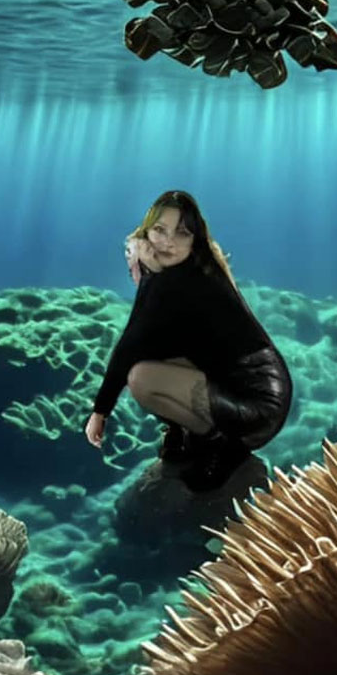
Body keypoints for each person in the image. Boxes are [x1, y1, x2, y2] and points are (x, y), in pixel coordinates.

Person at [84, 190, 293, 491]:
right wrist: (146, 270)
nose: (168, 242)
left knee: (141, 377)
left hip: (257, 404)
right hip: (240, 391)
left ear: (195, 239)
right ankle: (194, 433)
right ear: (147, 233)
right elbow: (149, 336)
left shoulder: (187, 279)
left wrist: (100, 412)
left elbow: (132, 342)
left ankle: (221, 443)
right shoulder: (185, 270)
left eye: (182, 233)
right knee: (154, 360)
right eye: (159, 230)